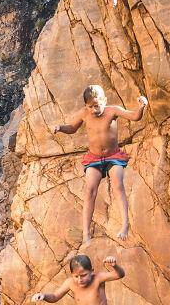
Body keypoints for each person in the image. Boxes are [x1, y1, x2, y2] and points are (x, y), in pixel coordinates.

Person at [54, 83, 147, 245]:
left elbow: (134, 116)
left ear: (104, 100)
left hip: (113, 156)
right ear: (86, 106)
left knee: (118, 185)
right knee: (90, 191)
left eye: (97, 105)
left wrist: (141, 107)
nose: (94, 110)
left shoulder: (113, 111)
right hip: (94, 158)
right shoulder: (84, 114)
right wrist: (60, 127)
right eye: (90, 107)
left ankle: (125, 225)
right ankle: (86, 233)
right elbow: (72, 128)